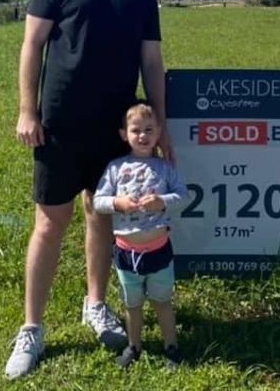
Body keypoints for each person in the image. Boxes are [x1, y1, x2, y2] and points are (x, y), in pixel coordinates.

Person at [5, 0, 169, 380]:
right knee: (50, 224)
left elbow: (153, 63)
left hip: (114, 130)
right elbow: (31, 46)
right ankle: (32, 328)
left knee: (101, 218)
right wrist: (26, 111)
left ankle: (95, 304)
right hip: (57, 125)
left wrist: (160, 126)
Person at [93, 102, 187, 369]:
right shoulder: (115, 168)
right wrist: (117, 203)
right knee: (131, 303)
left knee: (162, 301)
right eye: (136, 130)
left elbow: (184, 196)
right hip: (125, 252)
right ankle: (134, 346)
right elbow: (98, 201)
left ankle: (171, 347)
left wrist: (162, 201)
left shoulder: (164, 168)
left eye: (149, 130)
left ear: (158, 133)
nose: (143, 136)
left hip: (158, 249)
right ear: (124, 134)